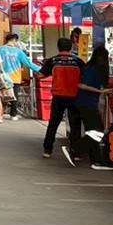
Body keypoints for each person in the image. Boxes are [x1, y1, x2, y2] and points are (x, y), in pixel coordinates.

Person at [42, 36, 87, 164]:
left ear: (58, 47)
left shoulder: (53, 61)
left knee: (53, 123)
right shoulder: (78, 61)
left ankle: (47, 149)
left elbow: (40, 75)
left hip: (58, 96)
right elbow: (85, 78)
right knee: (75, 125)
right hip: (75, 96)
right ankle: (76, 153)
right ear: (71, 47)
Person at [77, 45, 112, 170]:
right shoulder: (92, 70)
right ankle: (76, 148)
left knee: (93, 131)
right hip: (87, 103)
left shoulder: (90, 68)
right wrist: (100, 91)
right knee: (97, 131)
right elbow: (81, 85)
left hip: (87, 103)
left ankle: (96, 160)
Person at [0, 32, 39, 120]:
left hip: (2, 77)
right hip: (15, 77)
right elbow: (28, 63)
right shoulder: (18, 52)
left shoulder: (0, 49)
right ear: (14, 40)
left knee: (1, 96)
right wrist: (40, 69)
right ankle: (13, 115)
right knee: (14, 97)